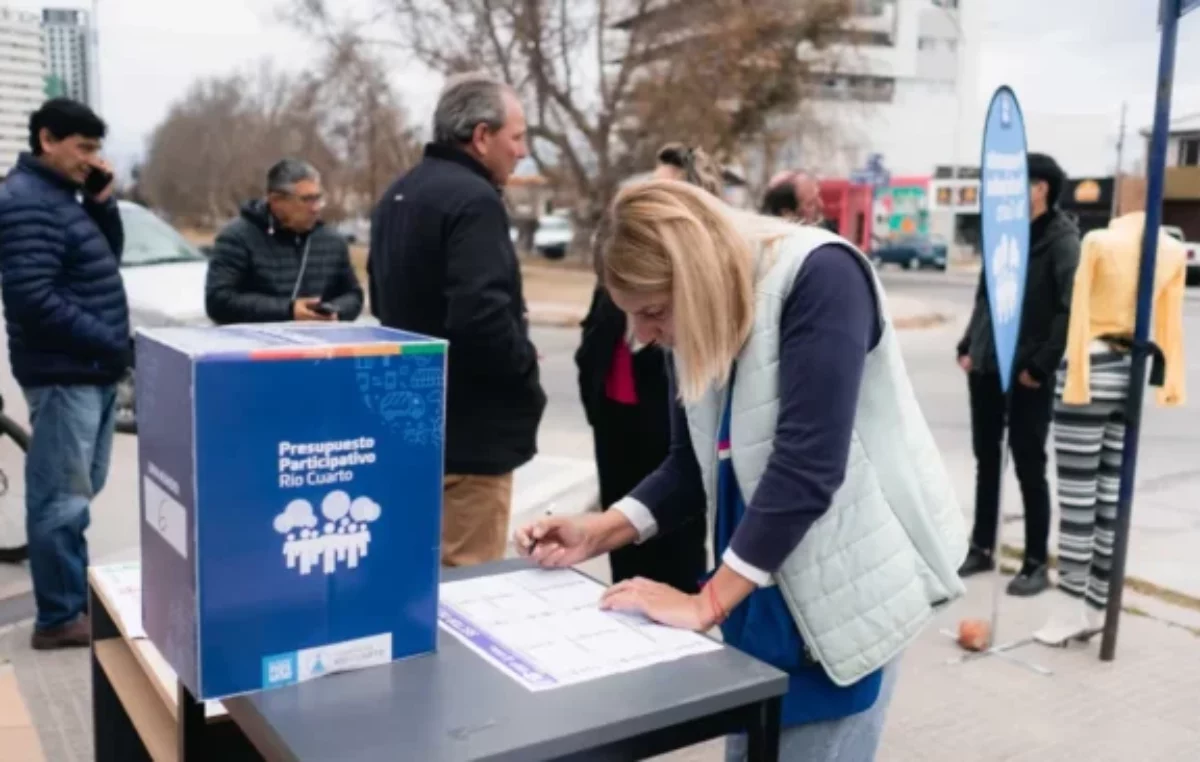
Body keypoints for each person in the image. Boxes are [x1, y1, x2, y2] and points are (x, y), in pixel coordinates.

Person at [516, 180, 967, 761]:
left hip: (837, 604)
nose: (645, 335)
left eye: (653, 312)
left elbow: (807, 468)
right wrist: (599, 529)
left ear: (695, 274)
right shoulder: (707, 307)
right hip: (757, 594)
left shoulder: (822, 277)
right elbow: (690, 463)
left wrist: (704, 603)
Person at [368, 73, 546, 567]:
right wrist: (523, 361)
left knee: (409, 577)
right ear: (482, 136)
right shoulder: (475, 200)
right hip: (471, 442)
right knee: (467, 590)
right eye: (517, 136)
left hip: (411, 425)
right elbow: (480, 316)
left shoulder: (397, 194)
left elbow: (383, 298)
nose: (523, 151)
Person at [0, 99, 129, 649]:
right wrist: (115, 345)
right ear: (47, 139)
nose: (92, 160)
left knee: (81, 488)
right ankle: (57, 617)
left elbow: (103, 261)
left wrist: (101, 203)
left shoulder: (62, 197)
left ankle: (69, 602)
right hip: (64, 373)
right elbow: (33, 299)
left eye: (97, 149)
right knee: (60, 498)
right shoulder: (25, 202)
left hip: (88, 370)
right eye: (83, 148)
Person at [574, 144, 722, 593]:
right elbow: (598, 329)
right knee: (626, 538)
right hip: (616, 421)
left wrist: (707, 604)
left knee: (673, 545)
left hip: (661, 425)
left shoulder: (697, 293)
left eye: (665, 187)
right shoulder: (623, 262)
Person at [1035, 212, 1186, 644]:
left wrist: (1075, 373)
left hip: (1091, 362)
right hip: (1131, 370)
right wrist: (1170, 380)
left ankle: (1069, 610)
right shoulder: (1170, 251)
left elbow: (1078, 313)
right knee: (1107, 497)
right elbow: (1168, 320)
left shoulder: (1100, 242)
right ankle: (1096, 605)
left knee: (1078, 498)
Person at [956, 152, 1080, 596]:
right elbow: (985, 297)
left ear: (1040, 187)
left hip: (1028, 372)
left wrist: (1040, 365)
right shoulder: (1002, 233)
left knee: (1029, 463)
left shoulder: (1061, 239)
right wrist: (969, 345)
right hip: (987, 366)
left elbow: (1069, 309)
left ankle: (1033, 563)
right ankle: (982, 546)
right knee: (987, 461)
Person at [205, 159, 363, 325]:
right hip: (256, 346)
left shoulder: (332, 241)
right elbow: (218, 302)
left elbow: (353, 295)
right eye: (307, 199)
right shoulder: (237, 237)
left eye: (318, 198)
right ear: (276, 201)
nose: (316, 208)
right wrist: (288, 310)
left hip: (317, 346)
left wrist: (334, 310)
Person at [768, 169, 837, 232]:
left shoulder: (830, 229)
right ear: (787, 214)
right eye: (810, 204)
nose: (821, 205)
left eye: (818, 196)